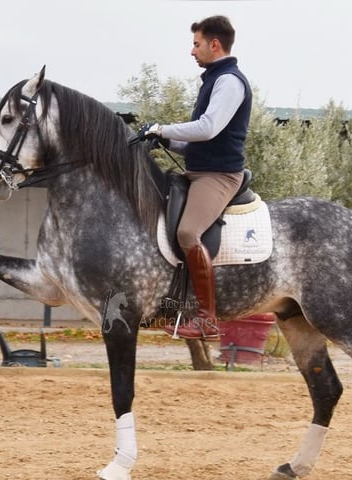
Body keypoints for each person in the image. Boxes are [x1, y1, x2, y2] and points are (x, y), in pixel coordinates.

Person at [138, 14, 252, 339]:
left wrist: (162, 127)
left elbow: (208, 127)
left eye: (196, 44)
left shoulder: (229, 81)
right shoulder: (214, 80)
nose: (192, 51)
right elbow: (198, 142)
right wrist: (164, 140)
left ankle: (207, 319)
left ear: (214, 45)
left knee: (188, 233)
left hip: (219, 177)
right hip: (199, 171)